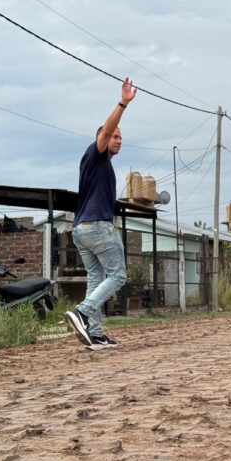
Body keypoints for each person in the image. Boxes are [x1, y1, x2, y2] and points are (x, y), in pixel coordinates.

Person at [65, 77, 138, 351]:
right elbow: (105, 132)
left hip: (81, 231)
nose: (118, 140)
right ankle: (83, 312)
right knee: (118, 275)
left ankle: (95, 334)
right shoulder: (95, 154)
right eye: (114, 136)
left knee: (96, 278)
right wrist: (123, 103)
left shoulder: (102, 165)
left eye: (120, 137)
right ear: (104, 138)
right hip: (96, 227)